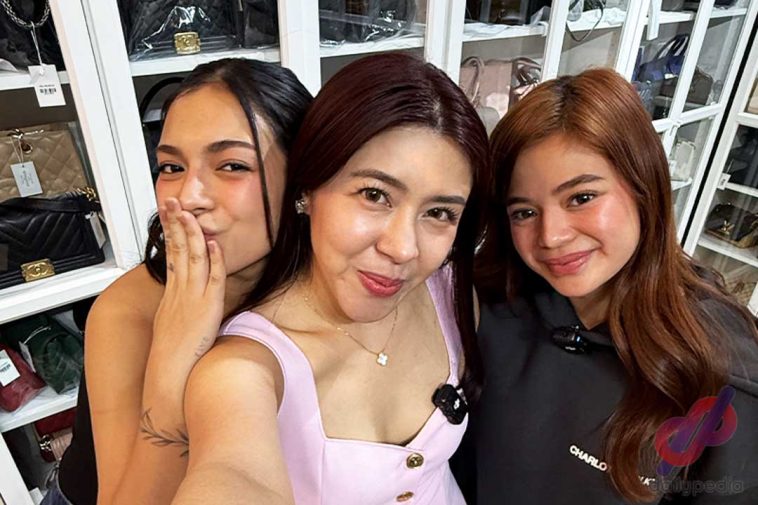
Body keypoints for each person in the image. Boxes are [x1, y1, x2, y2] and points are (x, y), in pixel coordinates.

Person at [169, 52, 491, 505]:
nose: (403, 248)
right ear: (308, 189)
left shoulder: (449, 295)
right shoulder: (245, 367)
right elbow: (231, 472)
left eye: (439, 212)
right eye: (374, 194)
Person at [455, 68, 758, 504]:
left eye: (581, 198)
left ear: (643, 186)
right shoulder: (488, 304)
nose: (551, 236)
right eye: (524, 212)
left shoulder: (720, 367)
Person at [43, 58, 313, 505]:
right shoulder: (126, 313)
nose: (188, 196)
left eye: (231, 166)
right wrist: (173, 357)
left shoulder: (318, 280)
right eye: (171, 167)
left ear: (303, 179)